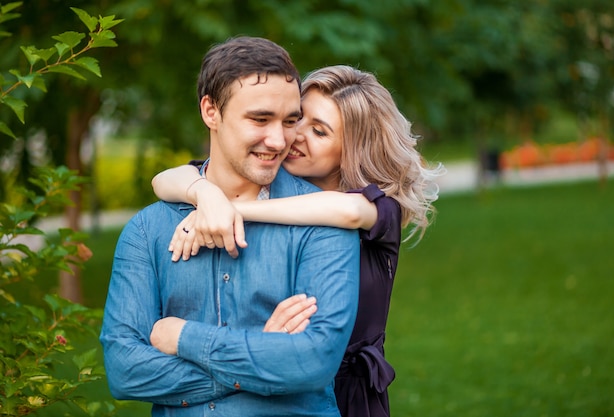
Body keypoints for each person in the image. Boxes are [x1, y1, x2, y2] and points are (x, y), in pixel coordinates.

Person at [152, 65, 444, 417]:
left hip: (345, 395)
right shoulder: (266, 184)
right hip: (267, 382)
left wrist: (232, 209)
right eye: (298, 119)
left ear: (352, 148)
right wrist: (204, 194)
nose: (294, 136)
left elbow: (346, 211)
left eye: (319, 131)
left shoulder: (380, 209)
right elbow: (166, 179)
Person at [99, 37, 361, 417]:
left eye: (290, 121)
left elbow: (312, 363)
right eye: (260, 119)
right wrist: (260, 355)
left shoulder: (322, 222)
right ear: (211, 111)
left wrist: (185, 338)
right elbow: (126, 371)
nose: (279, 140)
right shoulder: (147, 231)